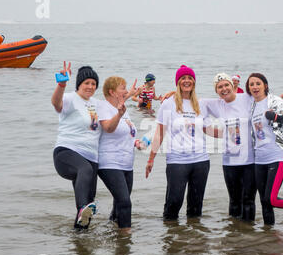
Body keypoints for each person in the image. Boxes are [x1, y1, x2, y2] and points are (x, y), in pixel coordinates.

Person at [145, 65, 217, 221]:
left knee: (196, 207)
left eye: (190, 78)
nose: (187, 81)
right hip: (177, 161)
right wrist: (151, 159)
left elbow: (209, 130)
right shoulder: (168, 103)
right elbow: (160, 133)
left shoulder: (200, 104)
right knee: (173, 203)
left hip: (201, 161)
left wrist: (230, 132)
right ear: (178, 82)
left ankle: (194, 239)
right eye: (183, 78)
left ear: (194, 82)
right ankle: (172, 239)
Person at [246, 73, 283, 226]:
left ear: (265, 85)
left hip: (278, 155)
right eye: (251, 84)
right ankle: (268, 234)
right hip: (259, 159)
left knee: (271, 199)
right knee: (264, 202)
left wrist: (276, 117)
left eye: (258, 83)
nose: (254, 87)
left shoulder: (274, 101)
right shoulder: (251, 106)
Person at [51, 62, 101, 230]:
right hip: (67, 152)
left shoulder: (96, 103)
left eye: (93, 83)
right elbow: (56, 103)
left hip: (91, 156)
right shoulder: (71, 98)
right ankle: (81, 209)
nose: (90, 86)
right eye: (86, 83)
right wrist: (61, 85)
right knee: (84, 171)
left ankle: (80, 241)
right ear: (79, 84)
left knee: (89, 202)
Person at [203, 73, 257, 221]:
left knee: (248, 200)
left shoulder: (246, 98)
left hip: (250, 161)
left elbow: (265, 99)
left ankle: (248, 233)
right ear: (216, 91)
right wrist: (173, 94)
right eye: (220, 87)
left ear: (233, 86)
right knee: (234, 200)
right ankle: (234, 235)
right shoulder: (217, 104)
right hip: (229, 161)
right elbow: (191, 100)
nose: (224, 88)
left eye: (226, 85)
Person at [97, 76, 143, 233]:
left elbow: (125, 133)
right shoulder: (103, 107)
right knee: (125, 202)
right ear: (112, 92)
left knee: (119, 204)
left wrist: (136, 142)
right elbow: (108, 128)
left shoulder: (122, 108)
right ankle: (125, 242)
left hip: (126, 164)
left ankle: (112, 233)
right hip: (109, 162)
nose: (126, 90)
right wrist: (119, 114)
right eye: (122, 88)